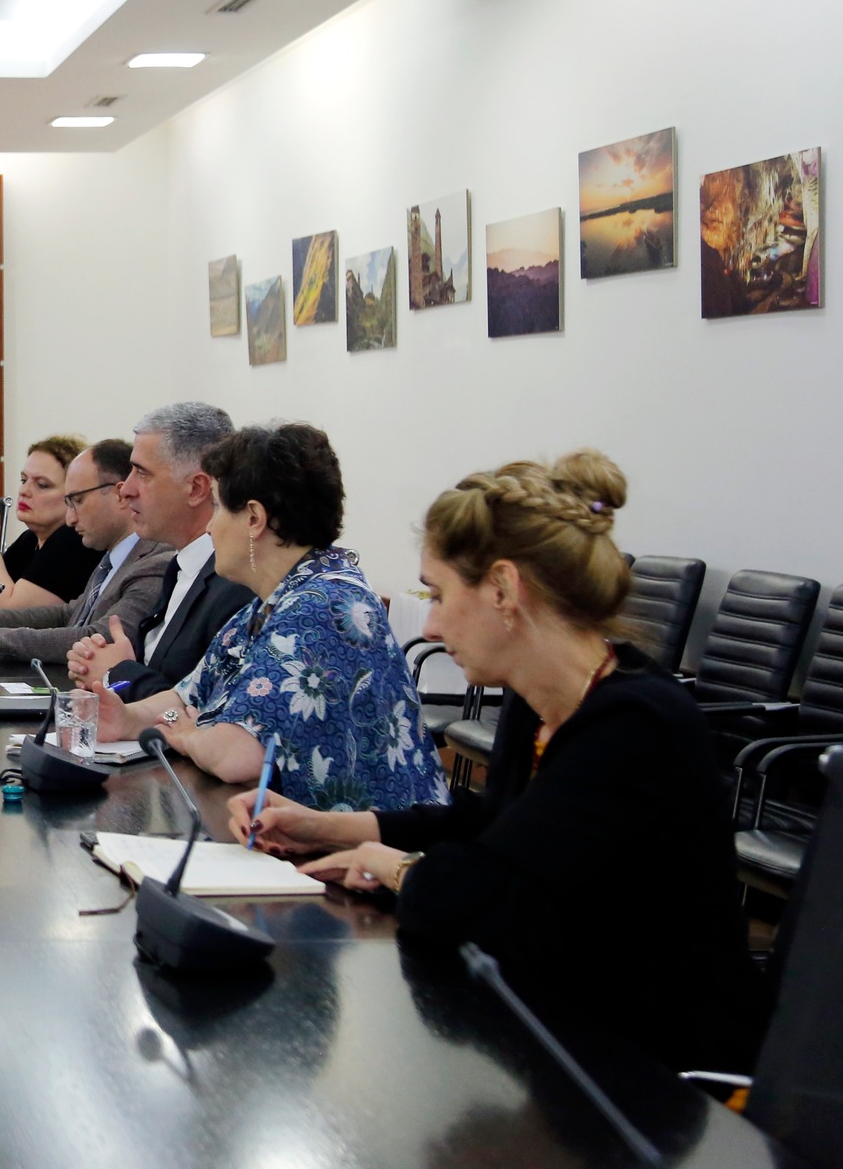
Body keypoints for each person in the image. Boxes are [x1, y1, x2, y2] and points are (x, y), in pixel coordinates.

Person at [231, 451, 761, 1071]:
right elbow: (497, 827)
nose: (430, 626)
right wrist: (331, 827)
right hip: (564, 1031)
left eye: (438, 595)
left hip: (659, 1070)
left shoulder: (636, 726)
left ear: (504, 590)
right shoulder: (538, 705)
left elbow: (491, 900)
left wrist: (396, 867)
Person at [92, 423, 448, 811]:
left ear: (254, 518)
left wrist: (188, 734)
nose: (209, 527)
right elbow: (187, 694)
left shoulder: (323, 607)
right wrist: (127, 718)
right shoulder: (280, 599)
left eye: (218, 507)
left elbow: (236, 756)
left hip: (366, 843)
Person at [0, 441, 171, 666]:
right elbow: (69, 614)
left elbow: (97, 637)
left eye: (78, 501)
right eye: (23, 480)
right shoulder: (112, 555)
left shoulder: (154, 562)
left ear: (120, 494)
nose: (70, 518)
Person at [67, 403, 255, 694]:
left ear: (196, 488)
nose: (125, 489)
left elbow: (202, 707)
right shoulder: (180, 567)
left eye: (142, 473)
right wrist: (110, 665)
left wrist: (119, 674)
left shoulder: (235, 586)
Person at [0, 434, 103, 611]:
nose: (24, 490)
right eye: (24, 480)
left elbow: (8, 612)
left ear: (73, 494)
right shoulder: (29, 540)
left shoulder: (73, 541)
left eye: (42, 484)